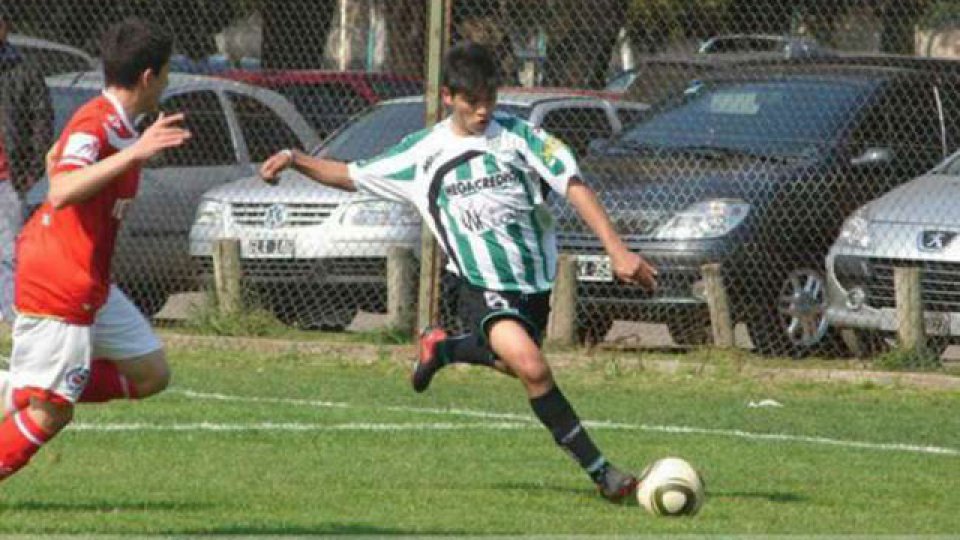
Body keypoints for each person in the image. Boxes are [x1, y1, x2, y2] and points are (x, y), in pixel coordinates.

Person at [259, 41, 658, 502]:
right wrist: (294, 157)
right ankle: (603, 472)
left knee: (519, 365)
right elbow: (349, 172)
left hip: (533, 283)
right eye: (473, 103)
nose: (484, 111)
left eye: (490, 99)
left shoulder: (520, 137)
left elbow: (573, 185)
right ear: (449, 97)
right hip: (477, 284)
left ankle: (444, 348)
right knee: (532, 366)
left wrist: (617, 250)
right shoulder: (425, 153)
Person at [0, 17, 191, 481]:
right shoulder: (98, 121)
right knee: (52, 413)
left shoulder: (122, 125)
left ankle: (29, 386)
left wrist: (129, 149)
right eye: (166, 73)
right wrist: (134, 154)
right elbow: (62, 187)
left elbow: (57, 162)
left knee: (150, 373)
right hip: (59, 280)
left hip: (92, 283)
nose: (167, 82)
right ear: (149, 77)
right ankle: (37, 390)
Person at [0, 7, 53, 324]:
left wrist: (29, 173)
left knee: (8, 253)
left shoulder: (23, 70)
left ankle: (8, 317)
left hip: (8, 179)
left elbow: (41, 121)